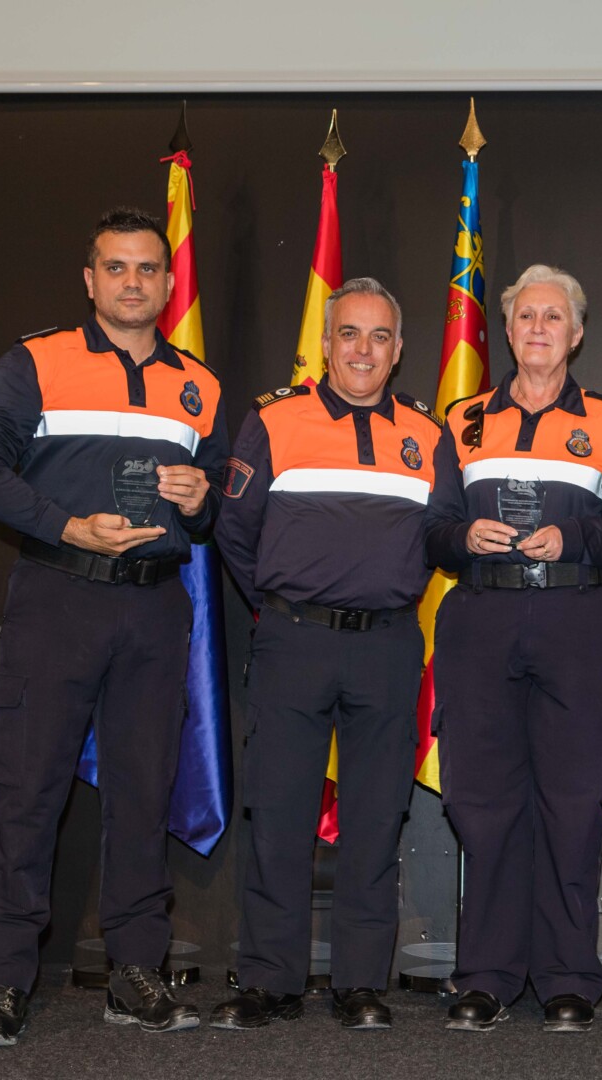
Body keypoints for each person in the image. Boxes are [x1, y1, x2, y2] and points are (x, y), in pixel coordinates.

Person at [0, 207, 227, 1048]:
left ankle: (134, 972)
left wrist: (200, 500)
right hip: (57, 599)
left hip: (154, 608)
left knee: (142, 794)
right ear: (89, 279)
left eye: (147, 268)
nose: (132, 282)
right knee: (28, 790)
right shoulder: (36, 361)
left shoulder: (200, 385)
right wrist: (67, 527)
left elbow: (211, 508)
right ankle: (2, 980)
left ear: (168, 284)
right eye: (115, 267)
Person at [427, 264, 602, 1034]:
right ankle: (486, 977)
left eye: (553, 317)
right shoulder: (462, 420)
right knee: (483, 806)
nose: (538, 328)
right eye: (526, 315)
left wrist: (576, 535)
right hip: (482, 622)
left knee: (572, 805)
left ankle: (567, 978)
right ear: (507, 328)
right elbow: (430, 530)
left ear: (577, 334)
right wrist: (464, 536)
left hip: (579, 622)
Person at [209, 278, 439, 1032]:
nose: (363, 350)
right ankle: (269, 980)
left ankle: (360, 984)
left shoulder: (428, 434)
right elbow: (235, 531)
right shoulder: (274, 420)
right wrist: (287, 604)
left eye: (380, 336)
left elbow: (442, 536)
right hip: (294, 642)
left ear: (398, 351)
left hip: (388, 647)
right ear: (326, 343)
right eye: (349, 333)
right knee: (278, 816)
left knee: (376, 819)